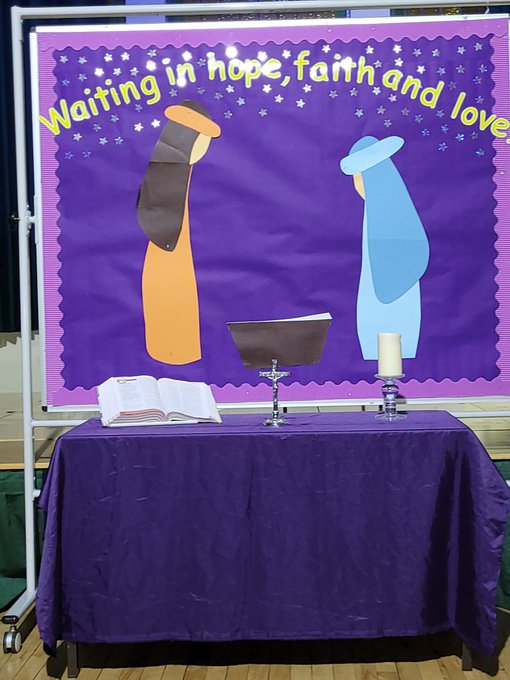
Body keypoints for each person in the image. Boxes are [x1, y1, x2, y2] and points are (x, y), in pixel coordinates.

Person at [137, 100, 221, 364]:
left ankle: (177, 349)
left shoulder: (176, 171)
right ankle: (172, 351)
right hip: (169, 253)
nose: (205, 147)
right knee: (172, 298)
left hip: (171, 251)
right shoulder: (169, 175)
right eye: (203, 140)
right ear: (189, 139)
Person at [340, 135, 429, 360]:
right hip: (376, 289)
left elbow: (416, 251)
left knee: (396, 337)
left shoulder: (394, 210)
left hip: (395, 292)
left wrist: (391, 285)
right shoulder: (375, 209)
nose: (356, 184)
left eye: (359, 177)